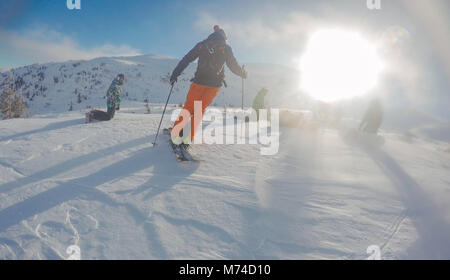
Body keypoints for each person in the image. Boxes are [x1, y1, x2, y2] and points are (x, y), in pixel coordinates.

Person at [169, 25, 247, 146]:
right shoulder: (226, 48)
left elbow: (187, 59)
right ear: (224, 37)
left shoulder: (202, 45)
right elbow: (233, 66)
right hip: (214, 86)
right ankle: (187, 139)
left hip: (199, 82)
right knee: (199, 110)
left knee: (189, 108)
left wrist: (175, 74)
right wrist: (242, 73)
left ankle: (176, 133)